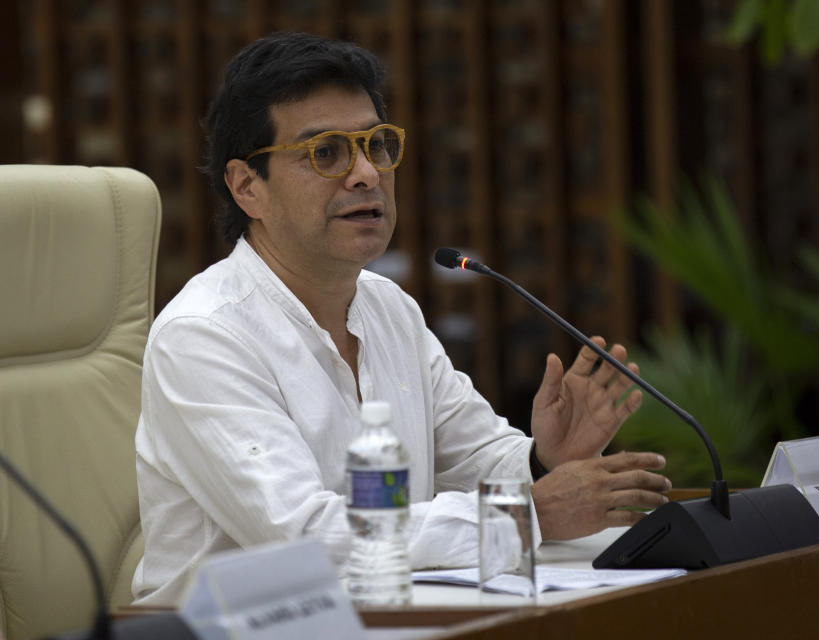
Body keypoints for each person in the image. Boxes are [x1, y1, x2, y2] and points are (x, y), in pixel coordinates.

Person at [132, 32, 671, 605]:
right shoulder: (205, 336)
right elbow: (308, 536)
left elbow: (472, 459)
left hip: (391, 616)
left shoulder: (389, 308)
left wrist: (542, 459)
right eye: (327, 152)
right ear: (247, 187)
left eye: (378, 145)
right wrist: (526, 515)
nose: (366, 173)